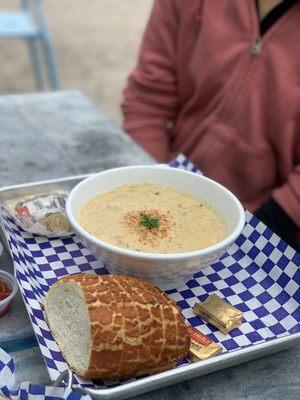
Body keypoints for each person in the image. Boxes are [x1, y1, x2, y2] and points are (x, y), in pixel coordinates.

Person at [122, 0, 300, 250]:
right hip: (167, 187)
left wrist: (256, 233)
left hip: (273, 227)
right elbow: (148, 101)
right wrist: (150, 186)